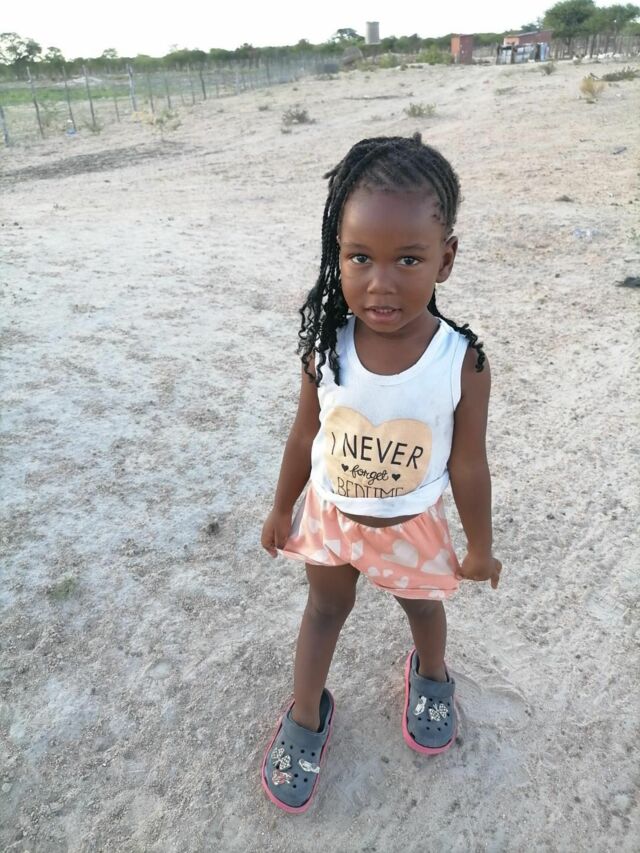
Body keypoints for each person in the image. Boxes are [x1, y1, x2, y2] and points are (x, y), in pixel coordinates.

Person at [260, 133, 502, 814]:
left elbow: (469, 462)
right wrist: (282, 507)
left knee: (424, 608)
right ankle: (305, 714)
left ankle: (431, 675)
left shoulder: (461, 361)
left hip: (411, 527)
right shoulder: (326, 347)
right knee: (323, 611)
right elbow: (305, 434)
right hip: (332, 521)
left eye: (409, 259)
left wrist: (480, 545)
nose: (381, 282)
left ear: (445, 258)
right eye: (360, 257)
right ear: (337, 254)